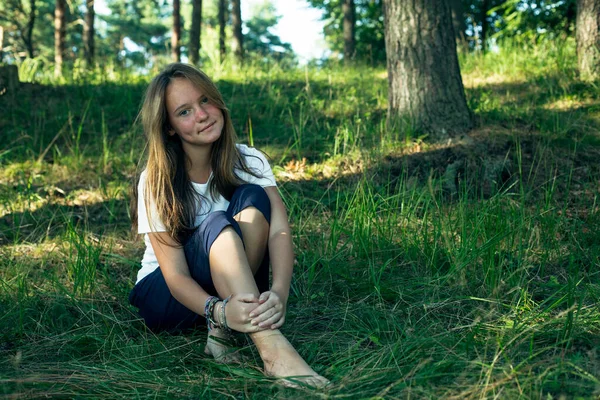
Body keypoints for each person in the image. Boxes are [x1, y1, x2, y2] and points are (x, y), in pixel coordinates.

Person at [128, 63, 329, 388]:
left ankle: (222, 334)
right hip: (168, 296)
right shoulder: (155, 179)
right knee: (216, 224)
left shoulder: (250, 161)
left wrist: (279, 293)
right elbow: (176, 275)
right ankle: (274, 353)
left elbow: (279, 231)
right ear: (169, 128)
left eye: (205, 100)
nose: (203, 114)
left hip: (235, 284)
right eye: (185, 111)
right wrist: (218, 311)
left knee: (252, 196)